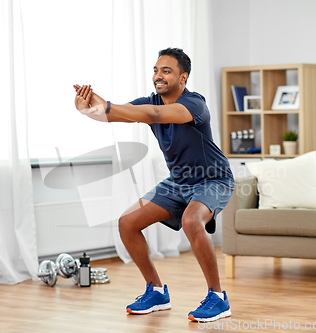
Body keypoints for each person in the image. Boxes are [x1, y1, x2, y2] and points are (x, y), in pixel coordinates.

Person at [73, 48, 234, 323]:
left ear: (183, 77)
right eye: (156, 70)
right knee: (127, 222)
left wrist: (105, 106)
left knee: (192, 221)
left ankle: (218, 298)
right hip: (178, 182)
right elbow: (114, 114)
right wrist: (88, 108)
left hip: (213, 179)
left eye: (166, 71)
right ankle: (156, 291)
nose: (158, 76)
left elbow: (154, 114)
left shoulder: (195, 104)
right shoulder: (150, 101)